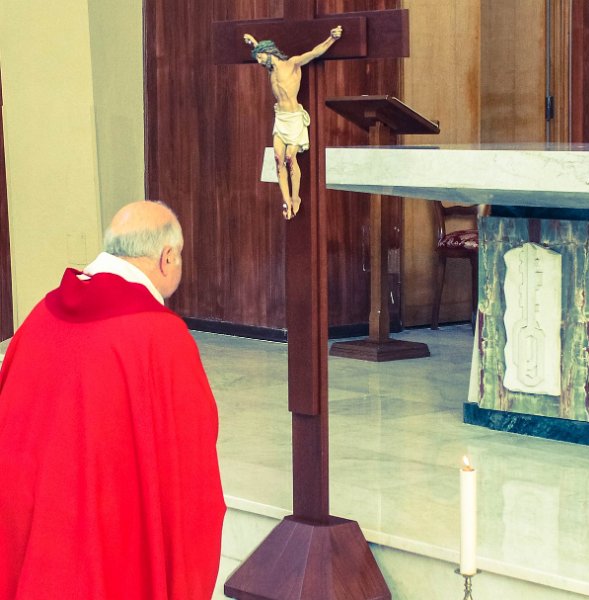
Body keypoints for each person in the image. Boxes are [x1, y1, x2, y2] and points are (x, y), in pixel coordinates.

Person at [0, 201, 225, 599]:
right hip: (112, 548)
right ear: (167, 258)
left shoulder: (41, 316)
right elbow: (191, 471)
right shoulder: (161, 337)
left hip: (39, 540)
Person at [244, 27, 343, 220]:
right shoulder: (270, 71)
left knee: (290, 158)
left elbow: (315, 53)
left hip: (294, 118)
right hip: (280, 118)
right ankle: (286, 199)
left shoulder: (292, 64)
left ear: (269, 53)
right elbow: (261, 51)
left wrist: (331, 38)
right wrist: (253, 42)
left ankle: (295, 197)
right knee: (278, 158)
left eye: (260, 57)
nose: (259, 61)